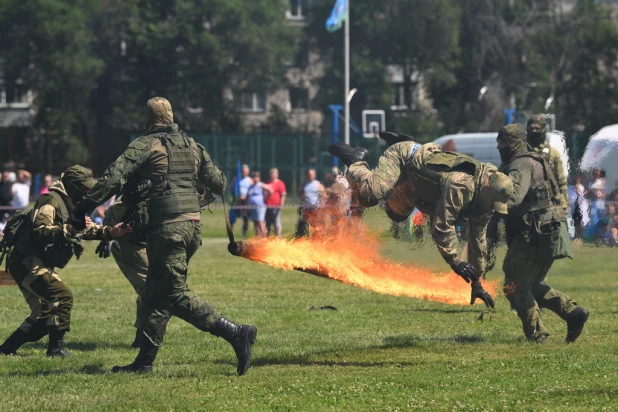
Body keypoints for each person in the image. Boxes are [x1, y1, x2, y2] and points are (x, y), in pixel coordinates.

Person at [70, 97, 257, 375]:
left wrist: (83, 207)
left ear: (148, 119)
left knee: (173, 294)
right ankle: (143, 362)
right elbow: (218, 182)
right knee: (154, 294)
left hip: (167, 229)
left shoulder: (145, 145)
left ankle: (236, 332)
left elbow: (113, 178)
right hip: (192, 228)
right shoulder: (193, 145)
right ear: (171, 117)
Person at [329, 137, 514, 308]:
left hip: (417, 187)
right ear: (487, 186)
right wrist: (455, 261)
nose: (492, 207)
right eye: (493, 201)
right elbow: (442, 226)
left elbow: (478, 243)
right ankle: (355, 159)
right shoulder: (461, 185)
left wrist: (477, 283)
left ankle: (404, 142)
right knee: (369, 196)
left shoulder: (485, 202)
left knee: (395, 214)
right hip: (405, 160)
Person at [0, 166, 132, 357]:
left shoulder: (70, 203)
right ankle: (55, 349)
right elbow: (41, 232)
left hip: (35, 261)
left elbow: (84, 228)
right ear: (73, 186)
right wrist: (70, 229)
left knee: (43, 314)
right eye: (85, 189)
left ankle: (5, 349)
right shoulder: (50, 201)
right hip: (26, 261)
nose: (88, 193)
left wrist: (111, 232)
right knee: (61, 297)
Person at [496, 123, 589, 343]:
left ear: (515, 143)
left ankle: (538, 335)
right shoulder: (537, 159)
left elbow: (514, 198)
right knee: (532, 283)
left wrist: (490, 204)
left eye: (503, 142)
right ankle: (572, 313)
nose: (499, 146)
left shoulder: (519, 164)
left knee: (513, 286)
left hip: (531, 234)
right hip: (548, 230)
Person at [95, 198, 149, 348]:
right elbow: (115, 208)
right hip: (127, 241)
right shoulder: (143, 186)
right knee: (150, 288)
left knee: (164, 288)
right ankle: (143, 337)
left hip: (151, 240)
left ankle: (146, 336)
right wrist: (108, 235)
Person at [526, 115, 568, 210]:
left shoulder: (553, 154)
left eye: (537, 128)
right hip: (525, 206)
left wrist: (564, 205)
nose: (534, 131)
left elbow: (561, 181)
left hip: (549, 205)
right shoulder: (520, 151)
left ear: (543, 129)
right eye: (531, 128)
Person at [295, 169, 324, 237]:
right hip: (306, 208)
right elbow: (298, 192)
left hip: (316, 208)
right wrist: (301, 196)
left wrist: (322, 201)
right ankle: (302, 238)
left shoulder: (317, 184)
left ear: (314, 175)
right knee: (303, 224)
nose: (310, 176)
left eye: (311, 174)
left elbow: (323, 193)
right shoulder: (304, 183)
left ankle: (316, 239)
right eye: (308, 174)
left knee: (315, 225)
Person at [265, 168, 286, 237]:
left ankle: (278, 236)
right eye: (271, 174)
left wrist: (281, 204)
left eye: (274, 174)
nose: (272, 175)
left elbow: (283, 195)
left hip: (276, 207)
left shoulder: (280, 183)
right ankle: (267, 237)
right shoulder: (267, 183)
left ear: (277, 175)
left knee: (276, 222)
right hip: (267, 207)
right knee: (267, 223)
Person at [247, 171, 267, 237]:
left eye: (256, 177)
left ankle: (264, 236)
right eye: (254, 177)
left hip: (260, 207)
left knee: (260, 222)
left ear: (259, 178)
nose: (255, 178)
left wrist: (265, 198)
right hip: (252, 207)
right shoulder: (250, 187)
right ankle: (258, 236)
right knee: (255, 222)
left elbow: (271, 190)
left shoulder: (261, 185)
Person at [237, 164, 253, 237]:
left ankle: (254, 234)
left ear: (248, 172)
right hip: (240, 202)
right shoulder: (238, 180)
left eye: (246, 171)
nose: (244, 172)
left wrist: (246, 197)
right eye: (243, 171)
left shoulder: (250, 180)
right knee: (244, 219)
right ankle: (244, 234)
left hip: (248, 202)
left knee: (251, 219)